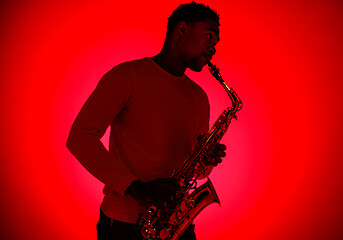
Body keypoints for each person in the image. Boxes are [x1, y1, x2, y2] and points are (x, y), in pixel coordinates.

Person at [66, 2, 226, 240]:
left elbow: (198, 173)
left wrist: (207, 160)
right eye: (208, 37)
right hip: (124, 226)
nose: (212, 49)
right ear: (182, 29)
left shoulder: (199, 97)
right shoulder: (127, 76)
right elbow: (79, 137)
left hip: (177, 225)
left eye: (215, 44)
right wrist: (135, 187)